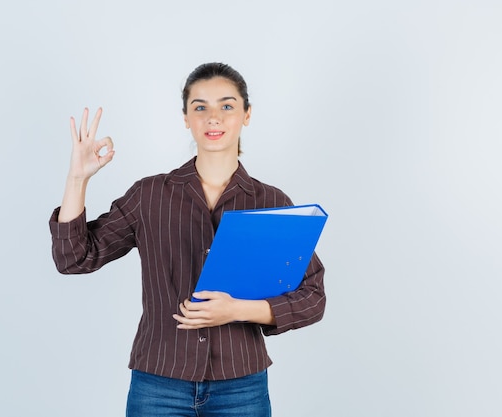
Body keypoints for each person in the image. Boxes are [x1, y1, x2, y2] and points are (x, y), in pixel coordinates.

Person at [49, 62, 326, 416]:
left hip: (242, 386)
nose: (214, 117)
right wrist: (77, 179)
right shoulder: (148, 196)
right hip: (158, 384)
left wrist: (238, 310)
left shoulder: (271, 203)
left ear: (247, 114)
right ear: (186, 118)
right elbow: (74, 259)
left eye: (227, 106)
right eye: (200, 107)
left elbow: (313, 296)